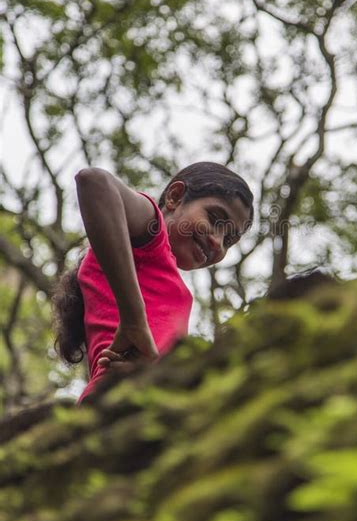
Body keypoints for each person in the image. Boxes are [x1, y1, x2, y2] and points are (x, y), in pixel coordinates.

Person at [52, 162, 254, 403]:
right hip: (115, 405)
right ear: (175, 197)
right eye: (214, 219)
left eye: (229, 239)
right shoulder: (153, 238)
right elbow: (94, 181)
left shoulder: (173, 285)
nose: (217, 242)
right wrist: (133, 319)